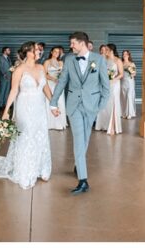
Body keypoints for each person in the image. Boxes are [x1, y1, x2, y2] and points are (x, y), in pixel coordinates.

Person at [0, 41, 54, 189]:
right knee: (26, 135)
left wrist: (53, 105)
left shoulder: (41, 68)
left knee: (40, 135)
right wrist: (6, 111)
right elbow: (14, 91)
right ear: (27, 52)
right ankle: (25, 171)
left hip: (40, 107)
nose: (39, 52)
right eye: (35, 50)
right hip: (24, 107)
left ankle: (41, 168)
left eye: (39, 50)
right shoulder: (19, 69)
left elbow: (45, 88)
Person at [48, 31, 111, 195]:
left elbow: (105, 86)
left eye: (73, 43)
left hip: (92, 106)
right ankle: (83, 180)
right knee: (78, 139)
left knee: (85, 138)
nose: (70, 46)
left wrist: (100, 106)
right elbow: (62, 82)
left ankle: (78, 163)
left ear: (82, 43)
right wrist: (53, 103)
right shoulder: (69, 60)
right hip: (74, 106)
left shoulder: (99, 60)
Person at [45, 46, 67, 130]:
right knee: (50, 101)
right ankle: (50, 123)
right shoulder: (47, 62)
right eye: (55, 51)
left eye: (58, 52)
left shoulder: (61, 62)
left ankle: (59, 123)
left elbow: (64, 74)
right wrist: (53, 78)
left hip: (59, 85)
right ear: (51, 52)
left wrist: (61, 79)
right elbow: (44, 74)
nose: (56, 53)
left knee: (60, 102)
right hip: (50, 84)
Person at [122, 48, 137, 119]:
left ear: (128, 55)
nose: (124, 55)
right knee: (123, 97)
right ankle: (124, 112)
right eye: (123, 54)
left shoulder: (131, 64)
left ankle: (130, 113)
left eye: (126, 54)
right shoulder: (121, 63)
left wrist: (130, 73)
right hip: (122, 82)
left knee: (129, 96)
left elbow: (134, 73)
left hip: (130, 81)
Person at [0, 46, 13, 112]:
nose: (9, 51)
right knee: (2, 91)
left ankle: (5, 104)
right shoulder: (0, 58)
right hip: (4, 77)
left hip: (9, 77)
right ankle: (0, 105)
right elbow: (0, 67)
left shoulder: (8, 58)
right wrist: (4, 74)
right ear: (4, 51)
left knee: (7, 91)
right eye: (8, 50)